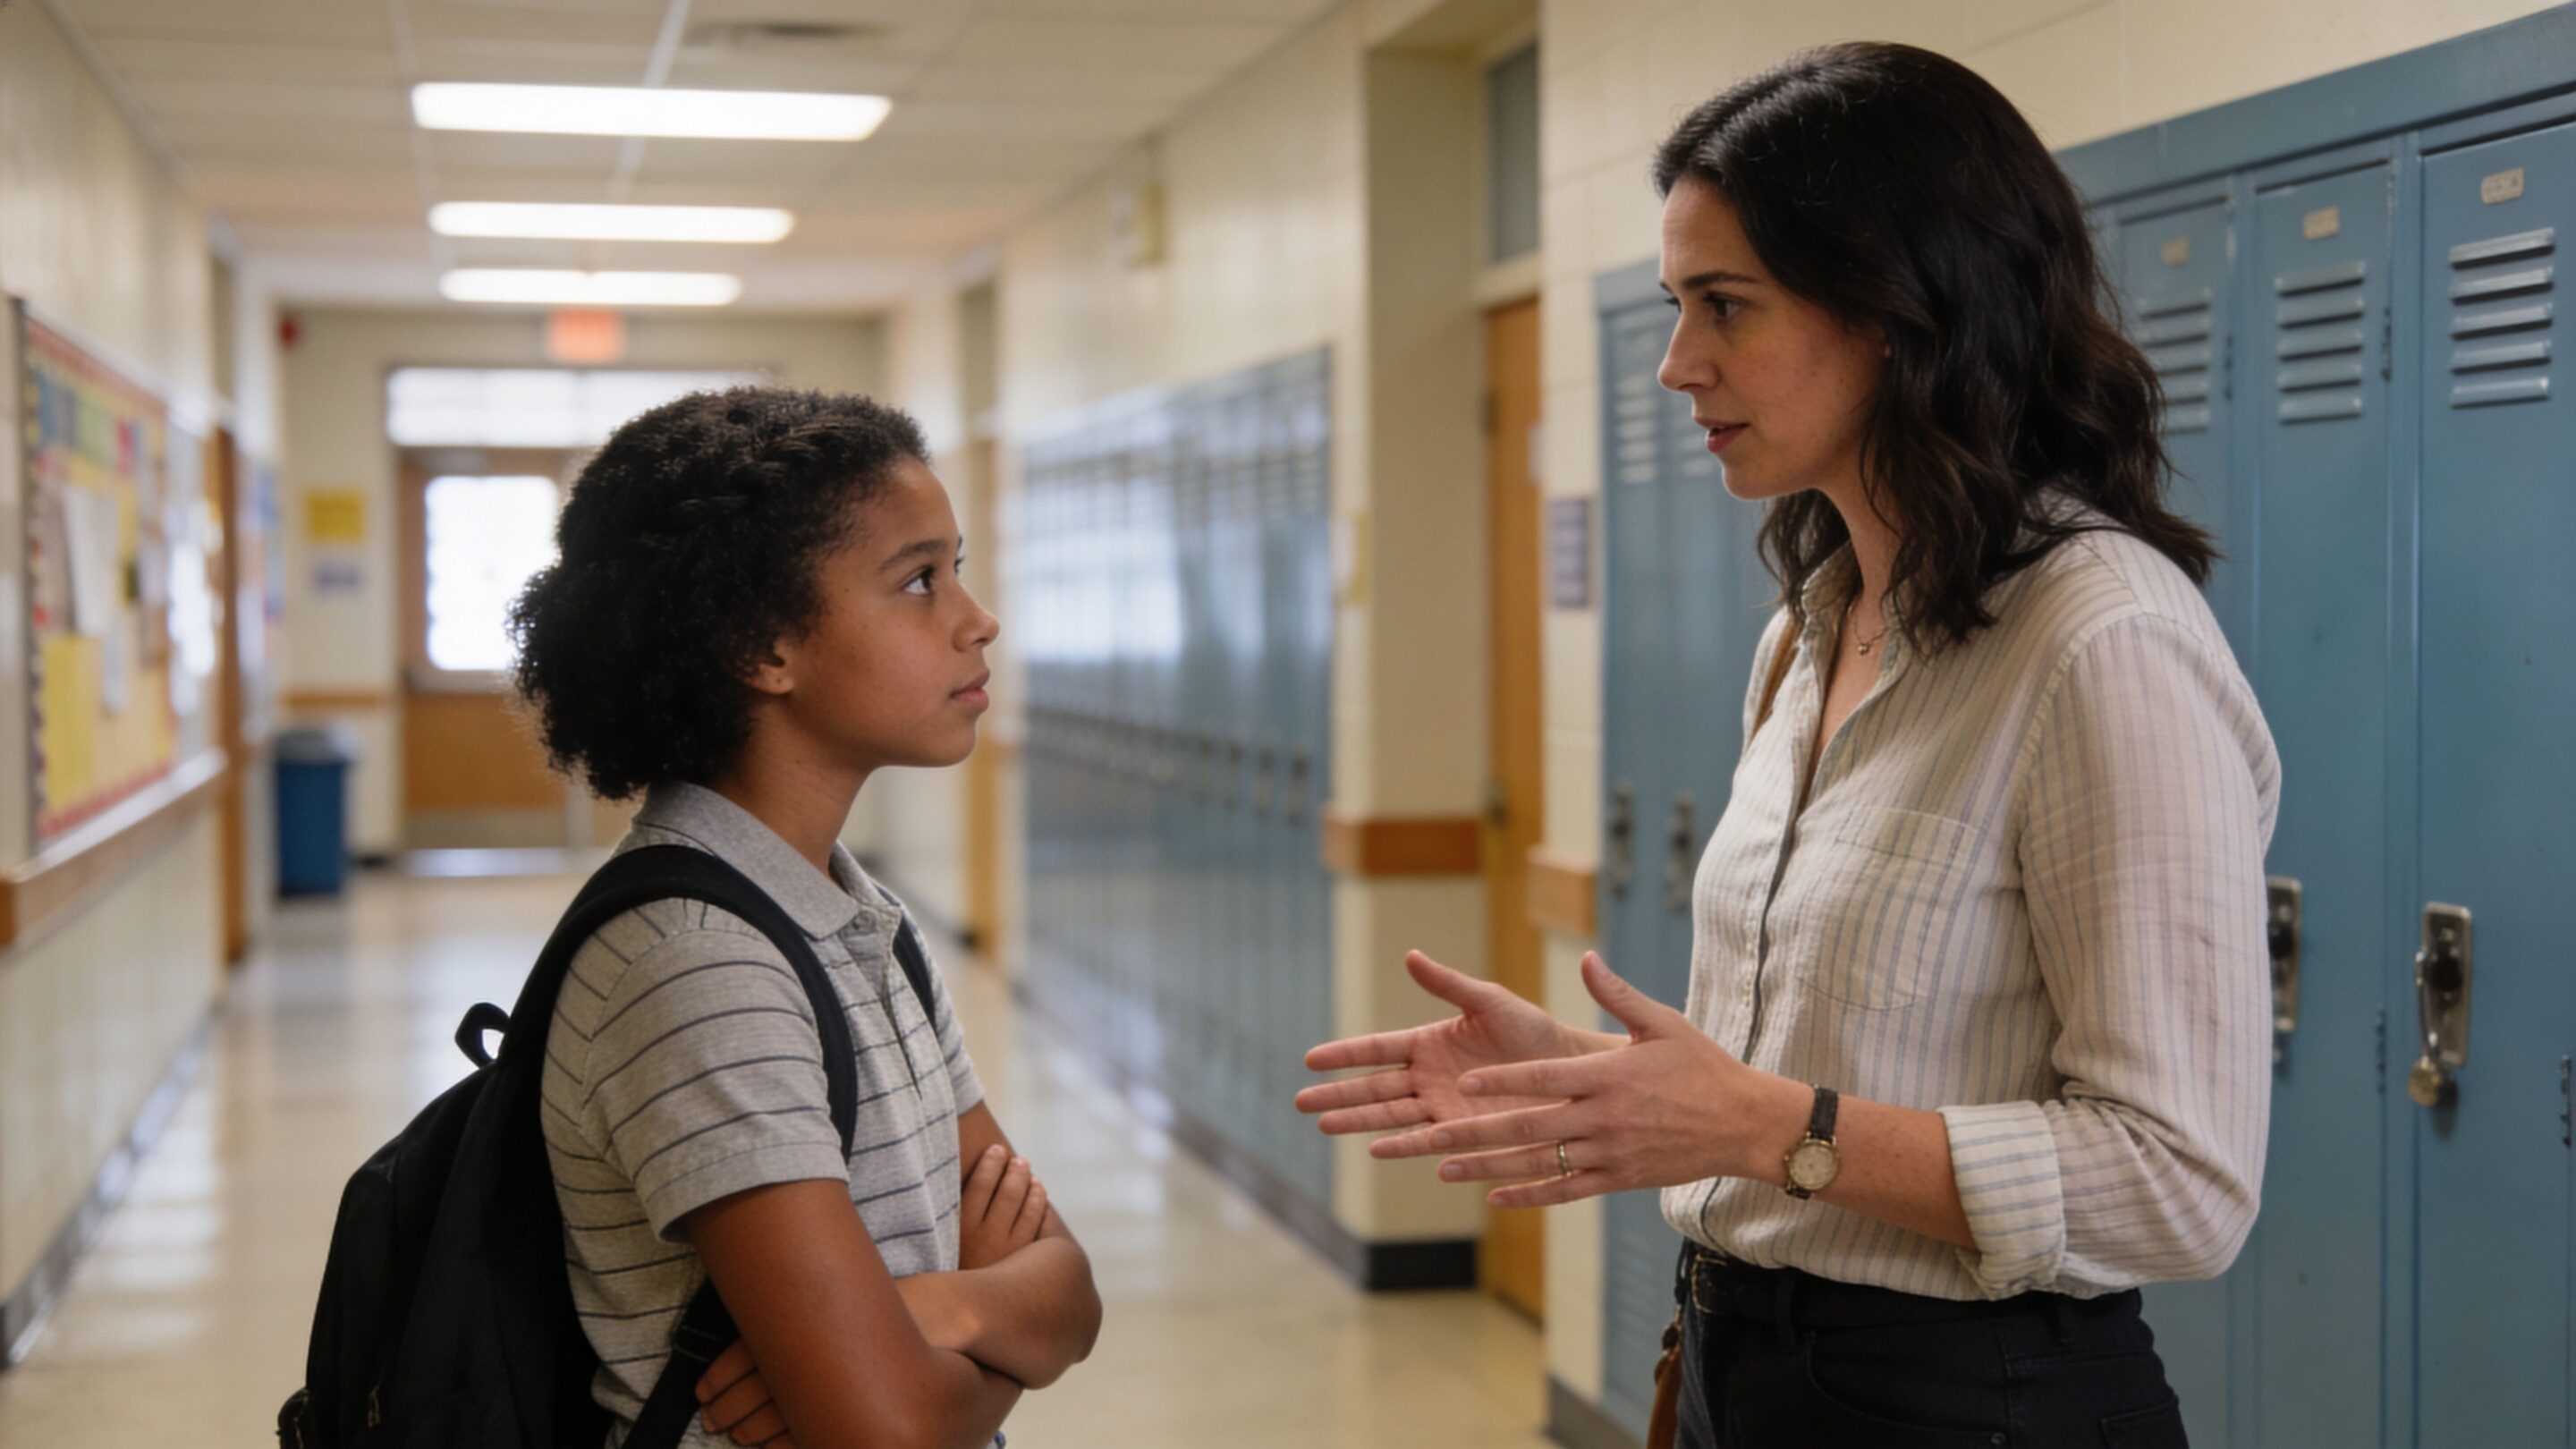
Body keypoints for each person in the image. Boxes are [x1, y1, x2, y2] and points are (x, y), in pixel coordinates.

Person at [1298, 42, 2276, 1449]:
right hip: (1738, 1362)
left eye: (1727, 307)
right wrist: (1601, 1091)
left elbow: (2181, 1182)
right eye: (1675, 305)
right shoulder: (1810, 628)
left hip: (1973, 1402)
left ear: (1897, 308)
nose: (1676, 363)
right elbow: (1810, 1078)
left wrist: (1765, 1129)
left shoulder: (2100, 640)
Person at [512, 387, 1101, 1448]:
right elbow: (892, 1434)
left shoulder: (854, 913)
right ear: (762, 647)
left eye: (957, 568)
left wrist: (941, 1311)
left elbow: (1073, 1295)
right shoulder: (699, 969)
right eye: (920, 581)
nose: (979, 619)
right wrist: (990, 1327)